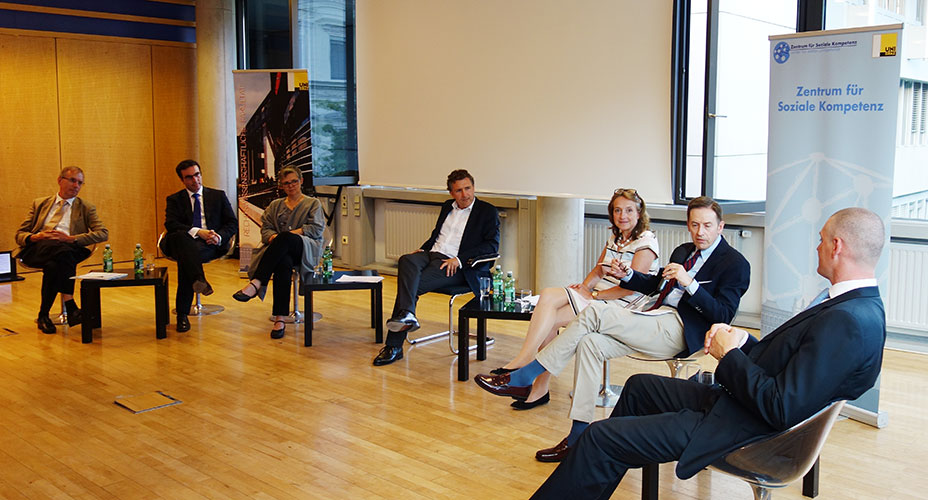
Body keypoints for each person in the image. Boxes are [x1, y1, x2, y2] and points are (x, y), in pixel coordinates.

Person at [529, 207, 887, 499]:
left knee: (599, 436)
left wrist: (728, 355)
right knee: (638, 388)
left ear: (837, 246)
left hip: (743, 427)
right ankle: (593, 478)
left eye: (821, 240)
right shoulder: (853, 307)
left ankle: (591, 459)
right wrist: (743, 341)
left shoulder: (847, 321)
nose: (817, 247)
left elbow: (781, 407)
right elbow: (790, 363)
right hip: (737, 404)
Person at [475, 196, 750, 461]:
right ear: (688, 224)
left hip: (680, 329)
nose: (700, 232)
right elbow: (655, 285)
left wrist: (690, 283)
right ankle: (578, 436)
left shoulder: (735, 264)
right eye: (694, 225)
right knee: (590, 344)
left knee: (594, 310)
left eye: (707, 225)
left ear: (721, 226)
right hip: (650, 317)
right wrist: (627, 275)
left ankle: (525, 375)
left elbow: (723, 314)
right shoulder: (683, 251)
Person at [491, 188, 660, 410]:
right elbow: (599, 270)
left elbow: (631, 288)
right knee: (549, 302)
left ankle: (525, 366)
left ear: (639, 213)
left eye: (629, 210)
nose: (623, 216)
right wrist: (584, 287)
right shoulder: (615, 237)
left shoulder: (646, 241)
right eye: (618, 211)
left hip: (620, 305)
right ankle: (537, 386)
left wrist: (594, 294)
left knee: (551, 303)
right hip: (599, 297)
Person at [373, 169, 500, 366]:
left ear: (474, 187)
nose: (465, 194)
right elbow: (437, 236)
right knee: (406, 260)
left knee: (410, 286)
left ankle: (394, 345)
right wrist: (422, 249)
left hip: (458, 266)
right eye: (459, 191)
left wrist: (458, 259)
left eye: (468, 188)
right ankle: (407, 315)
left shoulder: (487, 211)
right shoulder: (446, 207)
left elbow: (491, 245)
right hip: (432, 255)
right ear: (451, 193)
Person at [232, 166, 325, 339]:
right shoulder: (275, 205)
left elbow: (316, 229)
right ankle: (280, 319)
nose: (291, 186)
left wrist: (286, 236)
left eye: (294, 182)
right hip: (281, 251)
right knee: (283, 263)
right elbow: (266, 230)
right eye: (286, 183)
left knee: (285, 239)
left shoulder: (313, 203)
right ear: (281, 186)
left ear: (301, 181)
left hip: (305, 248)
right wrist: (277, 238)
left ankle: (256, 283)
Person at [15, 166, 109, 334]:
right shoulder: (40, 203)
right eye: (73, 180)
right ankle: (70, 304)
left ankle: (44, 315)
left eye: (80, 183)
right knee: (59, 252)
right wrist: (37, 237)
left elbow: (103, 233)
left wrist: (70, 239)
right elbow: (20, 234)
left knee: (54, 264)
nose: (76, 186)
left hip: (70, 248)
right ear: (60, 180)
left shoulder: (86, 207)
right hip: (40, 248)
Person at [159, 159, 237, 333]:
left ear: (201, 174)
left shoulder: (218, 196)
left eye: (197, 175)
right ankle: (198, 279)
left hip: (208, 244)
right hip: (180, 241)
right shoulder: (174, 199)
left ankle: (182, 314)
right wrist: (197, 231)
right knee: (182, 238)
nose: (195, 180)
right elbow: (171, 224)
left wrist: (218, 237)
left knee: (186, 259)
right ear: (182, 180)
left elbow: (232, 223)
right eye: (189, 177)